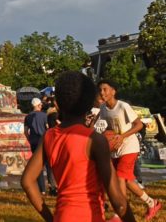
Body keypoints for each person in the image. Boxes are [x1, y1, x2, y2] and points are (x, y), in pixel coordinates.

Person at [21, 71, 134, 222]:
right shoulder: (94, 140)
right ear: (91, 103)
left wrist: (50, 218)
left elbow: (27, 181)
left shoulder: (48, 136)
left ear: (57, 104)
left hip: (62, 216)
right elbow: (118, 202)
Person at [98, 79, 162, 220]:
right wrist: (105, 136)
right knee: (126, 180)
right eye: (100, 90)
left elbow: (139, 125)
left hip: (130, 145)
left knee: (120, 177)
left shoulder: (123, 106)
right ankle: (152, 203)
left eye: (105, 89)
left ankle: (119, 214)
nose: (102, 92)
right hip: (116, 147)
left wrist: (122, 136)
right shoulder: (103, 109)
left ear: (113, 91)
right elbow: (109, 128)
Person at [25, 97, 49, 194]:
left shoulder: (28, 117)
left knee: (38, 165)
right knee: (48, 164)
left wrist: (29, 139)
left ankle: (42, 189)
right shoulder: (44, 115)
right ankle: (52, 186)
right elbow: (47, 128)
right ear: (39, 105)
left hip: (34, 142)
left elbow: (26, 131)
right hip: (43, 141)